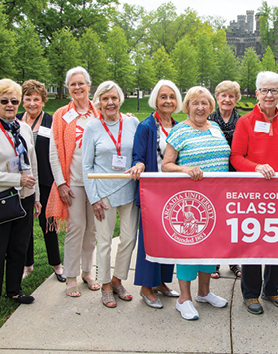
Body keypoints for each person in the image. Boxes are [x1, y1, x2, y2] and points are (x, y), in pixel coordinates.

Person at [231, 71, 278, 315]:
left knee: (276, 243)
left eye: (273, 90)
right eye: (264, 90)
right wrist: (257, 168)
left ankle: (271, 289)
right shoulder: (245, 122)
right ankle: (250, 294)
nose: (269, 95)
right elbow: (236, 157)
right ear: (257, 93)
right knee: (253, 244)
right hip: (252, 195)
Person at [161, 86, 230, 320]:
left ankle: (204, 292)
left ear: (211, 107)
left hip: (217, 199)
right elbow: (166, 165)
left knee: (210, 248)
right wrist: (185, 168)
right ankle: (184, 299)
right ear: (187, 106)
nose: (200, 107)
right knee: (189, 247)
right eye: (194, 103)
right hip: (192, 202)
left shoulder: (216, 128)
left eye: (204, 103)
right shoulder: (181, 130)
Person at [0, 78, 42, 316]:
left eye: (14, 101)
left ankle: (14, 290)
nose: (10, 105)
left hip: (24, 198)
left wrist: (35, 196)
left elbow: (31, 164)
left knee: (19, 247)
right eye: (4, 101)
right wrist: (17, 181)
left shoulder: (23, 127)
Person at [83, 81, 140, 308]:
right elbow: (86, 166)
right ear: (98, 101)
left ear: (120, 100)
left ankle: (118, 280)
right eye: (105, 98)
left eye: (114, 98)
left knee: (128, 239)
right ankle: (105, 285)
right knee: (104, 241)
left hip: (129, 190)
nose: (110, 103)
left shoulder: (132, 122)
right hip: (103, 192)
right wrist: (93, 198)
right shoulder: (92, 127)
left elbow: (139, 152)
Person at [46, 67, 101, 297]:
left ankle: (88, 272)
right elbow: (54, 151)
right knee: (76, 228)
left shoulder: (98, 113)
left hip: (97, 182)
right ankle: (71, 276)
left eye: (81, 84)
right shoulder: (61, 115)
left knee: (92, 230)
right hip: (74, 182)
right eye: (73, 84)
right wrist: (61, 183)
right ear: (68, 88)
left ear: (89, 86)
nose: (77, 88)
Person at [131, 80, 182, 309]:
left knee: (169, 238)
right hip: (152, 191)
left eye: (172, 96)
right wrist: (139, 165)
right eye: (163, 96)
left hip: (173, 192)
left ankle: (161, 281)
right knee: (149, 240)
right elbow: (137, 156)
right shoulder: (146, 126)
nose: (168, 101)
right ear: (156, 100)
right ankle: (145, 287)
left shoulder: (179, 126)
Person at [17, 80, 65, 282]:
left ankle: (57, 264)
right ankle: (27, 265)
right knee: (23, 225)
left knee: (48, 224)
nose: (32, 103)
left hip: (45, 180)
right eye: (28, 98)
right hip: (21, 181)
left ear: (43, 101)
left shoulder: (51, 121)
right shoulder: (16, 120)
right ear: (22, 101)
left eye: (36, 99)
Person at [207, 80, 242, 279]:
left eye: (231, 96)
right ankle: (214, 262)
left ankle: (234, 261)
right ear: (217, 97)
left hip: (235, 176)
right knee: (215, 219)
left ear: (236, 99)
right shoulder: (209, 120)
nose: (227, 99)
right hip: (215, 176)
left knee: (233, 221)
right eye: (223, 95)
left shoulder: (242, 121)